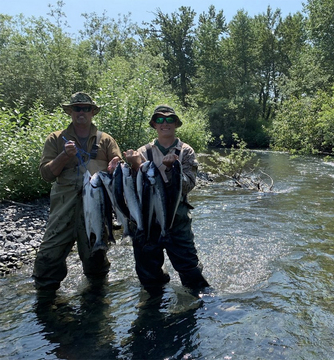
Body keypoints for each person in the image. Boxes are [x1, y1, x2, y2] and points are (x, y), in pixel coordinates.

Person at [32, 92, 122, 292]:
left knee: (96, 262)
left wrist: (118, 165)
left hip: (96, 209)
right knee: (48, 259)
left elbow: (119, 170)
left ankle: (97, 306)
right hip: (63, 209)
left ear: (92, 112)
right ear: (70, 112)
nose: (81, 112)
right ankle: (47, 305)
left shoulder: (106, 140)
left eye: (86, 108)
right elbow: (46, 174)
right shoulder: (55, 139)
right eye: (77, 108)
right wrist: (64, 156)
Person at [124, 105, 209, 294]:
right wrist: (134, 166)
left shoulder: (186, 151)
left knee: (189, 269)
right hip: (147, 219)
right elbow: (132, 188)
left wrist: (173, 170)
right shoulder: (143, 152)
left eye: (169, 119)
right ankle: (153, 307)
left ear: (176, 124)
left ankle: (201, 302)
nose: (165, 123)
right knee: (148, 274)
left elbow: (188, 185)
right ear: (154, 124)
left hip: (176, 219)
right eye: (160, 120)